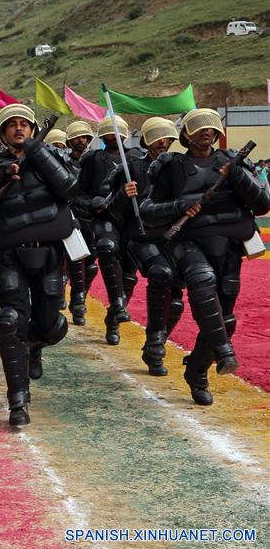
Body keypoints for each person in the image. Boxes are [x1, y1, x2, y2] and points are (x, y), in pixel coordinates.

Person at [141, 108, 269, 405]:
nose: (206, 131)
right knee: (202, 280)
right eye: (198, 127)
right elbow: (147, 212)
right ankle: (225, 354)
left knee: (227, 319)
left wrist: (237, 176)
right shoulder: (171, 166)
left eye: (211, 126)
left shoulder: (232, 161)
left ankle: (197, 372)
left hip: (228, 247)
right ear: (185, 135)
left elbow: (262, 204)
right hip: (187, 244)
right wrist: (180, 205)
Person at [0, 104, 77, 426]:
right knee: (9, 320)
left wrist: (37, 153)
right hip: (10, 255)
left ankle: (36, 342)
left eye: (23, 124)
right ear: (1, 134)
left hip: (50, 253)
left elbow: (70, 188)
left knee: (51, 324)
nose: (18, 129)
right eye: (11, 125)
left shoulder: (50, 157)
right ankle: (17, 400)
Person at [104, 117, 183, 375]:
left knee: (176, 301)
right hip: (138, 238)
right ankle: (119, 321)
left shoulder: (178, 167)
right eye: (157, 137)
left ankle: (155, 341)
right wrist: (122, 196)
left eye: (167, 137)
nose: (163, 142)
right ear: (147, 140)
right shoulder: (131, 169)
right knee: (152, 277)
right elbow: (113, 212)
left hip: (170, 239)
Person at [76, 116, 134, 344]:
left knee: (129, 276)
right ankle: (116, 303)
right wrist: (92, 204)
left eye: (118, 132)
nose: (114, 136)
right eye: (109, 132)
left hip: (131, 222)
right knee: (106, 250)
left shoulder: (136, 158)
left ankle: (114, 318)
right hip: (105, 219)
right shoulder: (93, 160)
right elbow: (80, 193)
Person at [65, 120, 97, 326]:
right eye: (78, 137)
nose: (82, 141)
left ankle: (82, 295)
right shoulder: (62, 161)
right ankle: (77, 303)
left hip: (91, 217)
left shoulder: (94, 162)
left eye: (85, 137)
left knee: (91, 264)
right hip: (70, 217)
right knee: (75, 262)